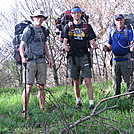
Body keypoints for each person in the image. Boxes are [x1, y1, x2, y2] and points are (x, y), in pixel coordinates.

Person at [62, 6, 97, 109]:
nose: (76, 14)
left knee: (88, 80)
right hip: (73, 56)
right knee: (76, 80)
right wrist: (65, 47)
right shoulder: (68, 27)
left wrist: (93, 45)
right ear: (72, 15)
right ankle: (78, 101)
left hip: (84, 55)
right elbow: (64, 41)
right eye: (74, 13)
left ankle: (91, 103)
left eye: (78, 13)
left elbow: (91, 40)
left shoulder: (87, 27)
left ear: (81, 14)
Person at [19, 9, 52, 117]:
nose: (40, 19)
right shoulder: (28, 30)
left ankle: (42, 109)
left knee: (41, 86)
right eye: (37, 17)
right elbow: (22, 46)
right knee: (28, 86)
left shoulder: (43, 30)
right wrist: (23, 57)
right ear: (33, 18)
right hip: (31, 61)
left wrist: (49, 58)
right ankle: (25, 110)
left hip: (42, 60)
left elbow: (45, 45)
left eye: (41, 17)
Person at [103, 14, 133, 95]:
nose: (119, 22)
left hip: (126, 60)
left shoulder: (129, 32)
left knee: (128, 81)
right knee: (116, 81)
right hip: (115, 60)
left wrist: (132, 48)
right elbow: (110, 45)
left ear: (123, 20)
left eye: (121, 20)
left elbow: (132, 44)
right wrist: (106, 48)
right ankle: (116, 98)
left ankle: (129, 98)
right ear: (115, 22)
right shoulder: (112, 32)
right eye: (117, 20)